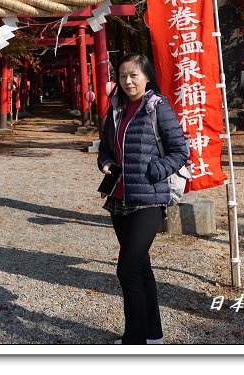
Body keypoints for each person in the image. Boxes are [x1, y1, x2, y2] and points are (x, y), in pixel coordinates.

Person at [97, 53, 190, 345]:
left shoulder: (157, 108)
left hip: (148, 199)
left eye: (134, 75)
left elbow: (180, 151)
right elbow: (105, 146)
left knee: (126, 269)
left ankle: (134, 341)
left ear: (147, 76)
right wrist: (105, 162)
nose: (127, 81)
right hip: (119, 197)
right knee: (141, 267)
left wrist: (154, 171)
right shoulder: (116, 107)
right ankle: (153, 335)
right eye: (123, 75)